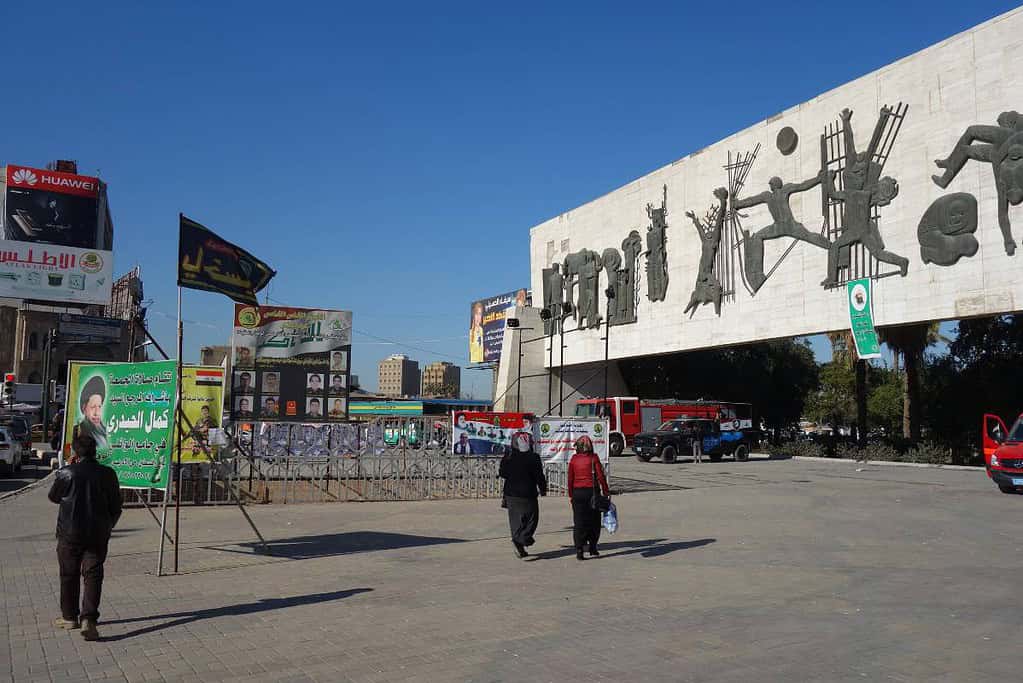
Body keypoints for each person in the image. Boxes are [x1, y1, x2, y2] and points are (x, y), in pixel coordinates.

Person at [48, 434, 121, 641]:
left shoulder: (66, 473)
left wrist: (67, 471)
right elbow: (116, 506)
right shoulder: (108, 473)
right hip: (97, 533)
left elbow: (53, 497)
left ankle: (69, 617)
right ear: (95, 450)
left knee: (68, 574)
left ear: (75, 452)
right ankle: (88, 618)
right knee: (93, 574)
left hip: (69, 533)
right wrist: (108, 526)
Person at [499, 431, 547, 558]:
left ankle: (519, 541)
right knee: (532, 519)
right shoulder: (533, 457)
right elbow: (539, 476)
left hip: (511, 494)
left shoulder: (509, 456)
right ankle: (521, 540)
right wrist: (543, 489)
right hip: (527, 493)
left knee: (515, 521)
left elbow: (503, 473)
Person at [566, 435, 610, 561]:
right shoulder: (593, 458)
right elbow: (601, 476)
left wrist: (571, 494)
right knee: (594, 522)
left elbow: (570, 479)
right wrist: (606, 491)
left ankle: (579, 550)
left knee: (579, 522)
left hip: (577, 493)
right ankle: (593, 547)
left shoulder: (574, 460)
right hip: (592, 493)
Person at [75, 376, 109, 451]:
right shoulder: (78, 431)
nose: (97, 413)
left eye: (99, 407)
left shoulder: (104, 432)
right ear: (84, 408)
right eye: (93, 407)